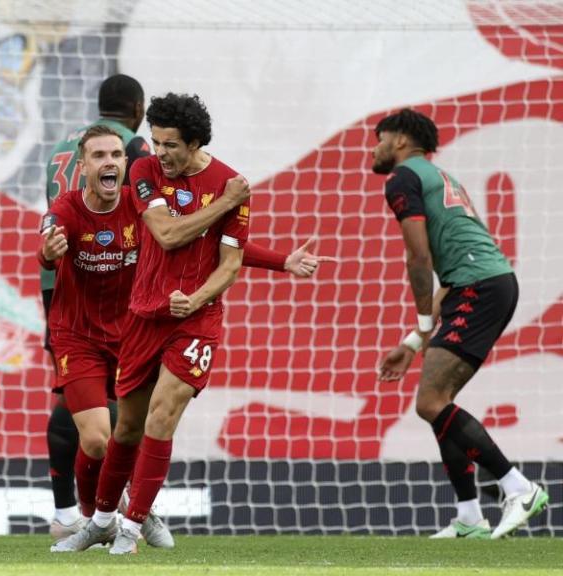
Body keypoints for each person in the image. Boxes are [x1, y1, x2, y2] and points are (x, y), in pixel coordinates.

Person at [52, 93, 330, 554]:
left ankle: (131, 527)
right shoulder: (147, 173)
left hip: (197, 319)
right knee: (127, 429)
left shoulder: (231, 184)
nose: (159, 153)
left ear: (195, 142)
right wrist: (224, 204)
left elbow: (230, 262)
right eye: (156, 142)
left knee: (162, 416)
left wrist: (200, 298)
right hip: (142, 316)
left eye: (170, 145)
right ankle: (101, 520)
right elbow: (168, 233)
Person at [372, 109, 549, 539]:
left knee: (430, 402)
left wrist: (420, 316)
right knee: (439, 401)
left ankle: (518, 487)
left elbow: (419, 258)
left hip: (479, 287)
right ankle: (470, 515)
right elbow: (452, 267)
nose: (374, 148)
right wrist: (414, 340)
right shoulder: (441, 177)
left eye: (379, 138)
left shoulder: (402, 178)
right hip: (481, 284)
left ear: (399, 141)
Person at [41, 74, 151, 540]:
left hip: (59, 281)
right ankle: (107, 509)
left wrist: (51, 249)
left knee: (69, 398)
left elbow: (53, 215)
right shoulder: (138, 148)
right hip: (106, 285)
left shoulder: (62, 148)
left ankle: (69, 512)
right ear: (138, 109)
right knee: (105, 408)